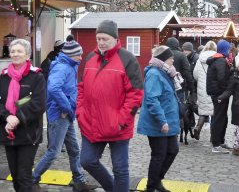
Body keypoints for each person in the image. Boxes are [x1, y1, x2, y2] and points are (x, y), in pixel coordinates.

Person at [77, 20, 143, 192]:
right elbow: (81, 88)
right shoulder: (90, 58)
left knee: (120, 169)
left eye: (105, 38)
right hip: (91, 123)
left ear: (115, 38)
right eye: (98, 38)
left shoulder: (127, 59)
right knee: (87, 160)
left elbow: (135, 94)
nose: (101, 42)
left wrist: (122, 119)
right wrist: (80, 112)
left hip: (118, 125)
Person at [32, 39, 97, 192]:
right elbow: (53, 89)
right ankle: (33, 179)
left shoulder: (69, 66)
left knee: (74, 150)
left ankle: (78, 181)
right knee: (54, 152)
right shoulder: (62, 67)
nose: (81, 57)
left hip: (66, 115)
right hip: (60, 115)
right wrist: (67, 107)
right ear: (72, 55)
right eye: (79, 55)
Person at [0, 39, 46, 192]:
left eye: (19, 51)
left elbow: (38, 104)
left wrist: (17, 118)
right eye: (13, 51)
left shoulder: (36, 77)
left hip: (28, 134)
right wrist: (7, 117)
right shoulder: (3, 77)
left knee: (24, 175)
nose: (15, 54)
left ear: (28, 55)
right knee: (15, 175)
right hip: (8, 132)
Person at [137, 45, 180, 192]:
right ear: (163, 59)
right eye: (170, 58)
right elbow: (152, 100)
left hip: (169, 120)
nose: (173, 60)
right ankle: (151, 187)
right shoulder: (154, 74)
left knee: (172, 150)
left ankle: (157, 181)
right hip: (158, 122)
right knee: (159, 155)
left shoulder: (166, 72)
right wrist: (162, 120)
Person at [206, 40, 232, 153]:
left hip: (216, 93)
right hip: (219, 94)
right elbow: (222, 78)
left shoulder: (216, 59)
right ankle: (216, 144)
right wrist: (227, 90)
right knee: (219, 118)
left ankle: (220, 141)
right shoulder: (221, 61)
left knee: (222, 117)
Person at [192, 40, 217, 140]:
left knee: (203, 110)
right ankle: (213, 135)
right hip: (214, 87)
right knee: (215, 112)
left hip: (202, 88)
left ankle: (198, 127)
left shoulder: (199, 59)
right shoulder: (218, 58)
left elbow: (195, 74)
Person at [166, 37, 195, 103]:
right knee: (180, 106)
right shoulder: (181, 55)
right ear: (177, 44)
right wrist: (192, 88)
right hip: (179, 86)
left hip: (166, 85)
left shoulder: (163, 55)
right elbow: (187, 72)